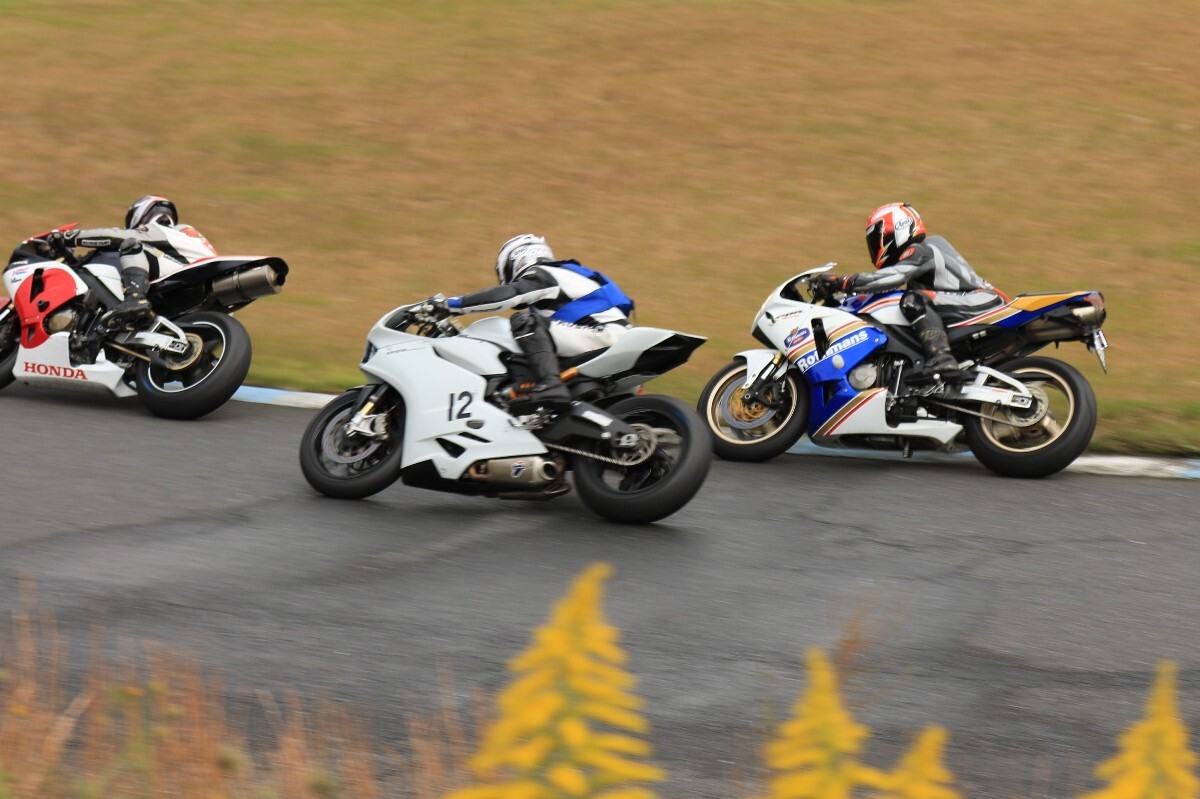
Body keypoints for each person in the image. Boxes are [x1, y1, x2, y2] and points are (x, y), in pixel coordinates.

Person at [432, 234, 634, 404]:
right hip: (613, 337)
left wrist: (449, 305)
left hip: (603, 335)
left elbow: (508, 295)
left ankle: (551, 384)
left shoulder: (545, 274)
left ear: (515, 261)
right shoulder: (570, 277)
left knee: (525, 322)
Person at [820, 203, 1005, 378]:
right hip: (973, 302)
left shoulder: (922, 249)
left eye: (877, 239)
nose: (874, 246)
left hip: (983, 300)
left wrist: (843, 282)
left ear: (897, 230)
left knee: (913, 300)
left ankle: (941, 358)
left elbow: (889, 278)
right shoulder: (919, 261)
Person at [45, 195, 218, 327]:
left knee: (131, 244)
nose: (165, 218)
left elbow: (117, 236)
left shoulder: (159, 230)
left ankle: (135, 298)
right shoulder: (185, 237)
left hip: (186, 275)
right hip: (200, 287)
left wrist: (69, 237)